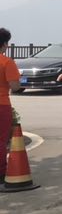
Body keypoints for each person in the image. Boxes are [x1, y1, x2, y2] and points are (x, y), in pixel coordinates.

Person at [0, 28, 21, 184]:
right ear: (5, 44)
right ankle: (1, 173)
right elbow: (15, 86)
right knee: (1, 140)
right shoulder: (7, 62)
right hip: (2, 104)